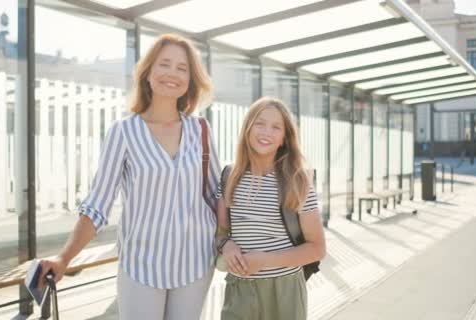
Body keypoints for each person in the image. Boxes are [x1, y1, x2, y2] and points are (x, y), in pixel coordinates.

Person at [38, 33, 220, 320]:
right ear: (147, 73)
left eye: (182, 68)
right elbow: (97, 205)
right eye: (164, 64)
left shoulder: (201, 130)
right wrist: (64, 258)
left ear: (190, 79)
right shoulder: (123, 132)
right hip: (141, 265)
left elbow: (215, 195)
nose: (172, 73)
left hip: (195, 262)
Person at [215, 97, 327, 320]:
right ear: (247, 127)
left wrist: (265, 260)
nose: (266, 132)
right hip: (240, 290)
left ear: (284, 138)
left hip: (285, 291)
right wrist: (226, 246)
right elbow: (220, 233)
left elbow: (317, 249)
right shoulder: (229, 176)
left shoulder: (298, 181)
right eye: (260, 123)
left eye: (276, 127)